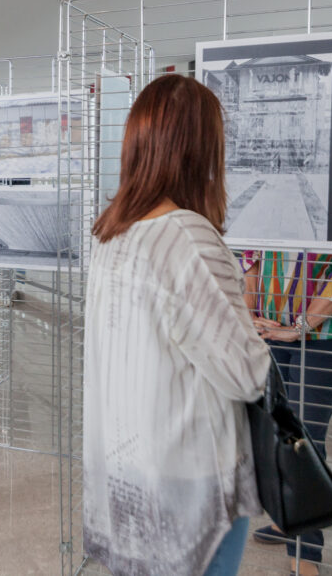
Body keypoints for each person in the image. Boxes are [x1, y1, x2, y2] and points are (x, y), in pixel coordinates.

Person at [83, 75, 271, 576]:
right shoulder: (186, 237)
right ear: (200, 149)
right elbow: (247, 373)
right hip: (188, 476)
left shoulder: (111, 233)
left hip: (126, 464)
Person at [245, 182, 332, 576]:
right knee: (272, 432)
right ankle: (288, 518)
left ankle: (306, 556)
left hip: (325, 339)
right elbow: (250, 259)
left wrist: (299, 327)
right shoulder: (265, 190)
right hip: (267, 330)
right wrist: (249, 317)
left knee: (306, 439)